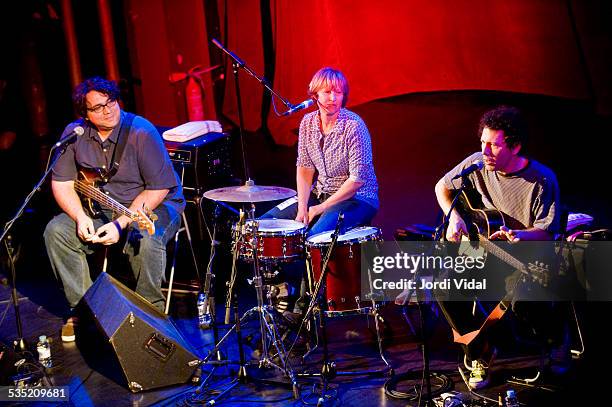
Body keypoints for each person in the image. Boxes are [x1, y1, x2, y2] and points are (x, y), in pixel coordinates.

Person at [433, 105, 567, 389]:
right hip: (489, 253)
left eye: (494, 145)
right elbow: (441, 188)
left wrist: (520, 235)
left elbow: (547, 232)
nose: (485, 151)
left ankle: (543, 341)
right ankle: (479, 352)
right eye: (483, 142)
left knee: (521, 302)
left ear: (515, 147)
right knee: (444, 285)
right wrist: (454, 217)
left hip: (527, 261)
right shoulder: (478, 163)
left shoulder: (542, 180)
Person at [44, 77, 185, 342]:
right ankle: (84, 310)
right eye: (98, 108)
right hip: (102, 209)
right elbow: (61, 183)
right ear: (84, 115)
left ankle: (149, 314)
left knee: (146, 237)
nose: (108, 110)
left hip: (152, 206)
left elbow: (158, 190)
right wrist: (79, 216)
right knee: (56, 232)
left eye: (111, 102)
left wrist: (121, 224)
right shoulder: (75, 134)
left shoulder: (141, 132)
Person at [262, 67, 378, 235]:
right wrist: (302, 207)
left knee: (314, 236)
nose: (333, 98)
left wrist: (320, 208)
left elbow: (356, 180)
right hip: (320, 193)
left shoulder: (354, 126)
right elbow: (304, 168)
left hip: (358, 198)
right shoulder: (307, 123)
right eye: (327, 92)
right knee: (266, 224)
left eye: (338, 93)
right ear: (315, 95)